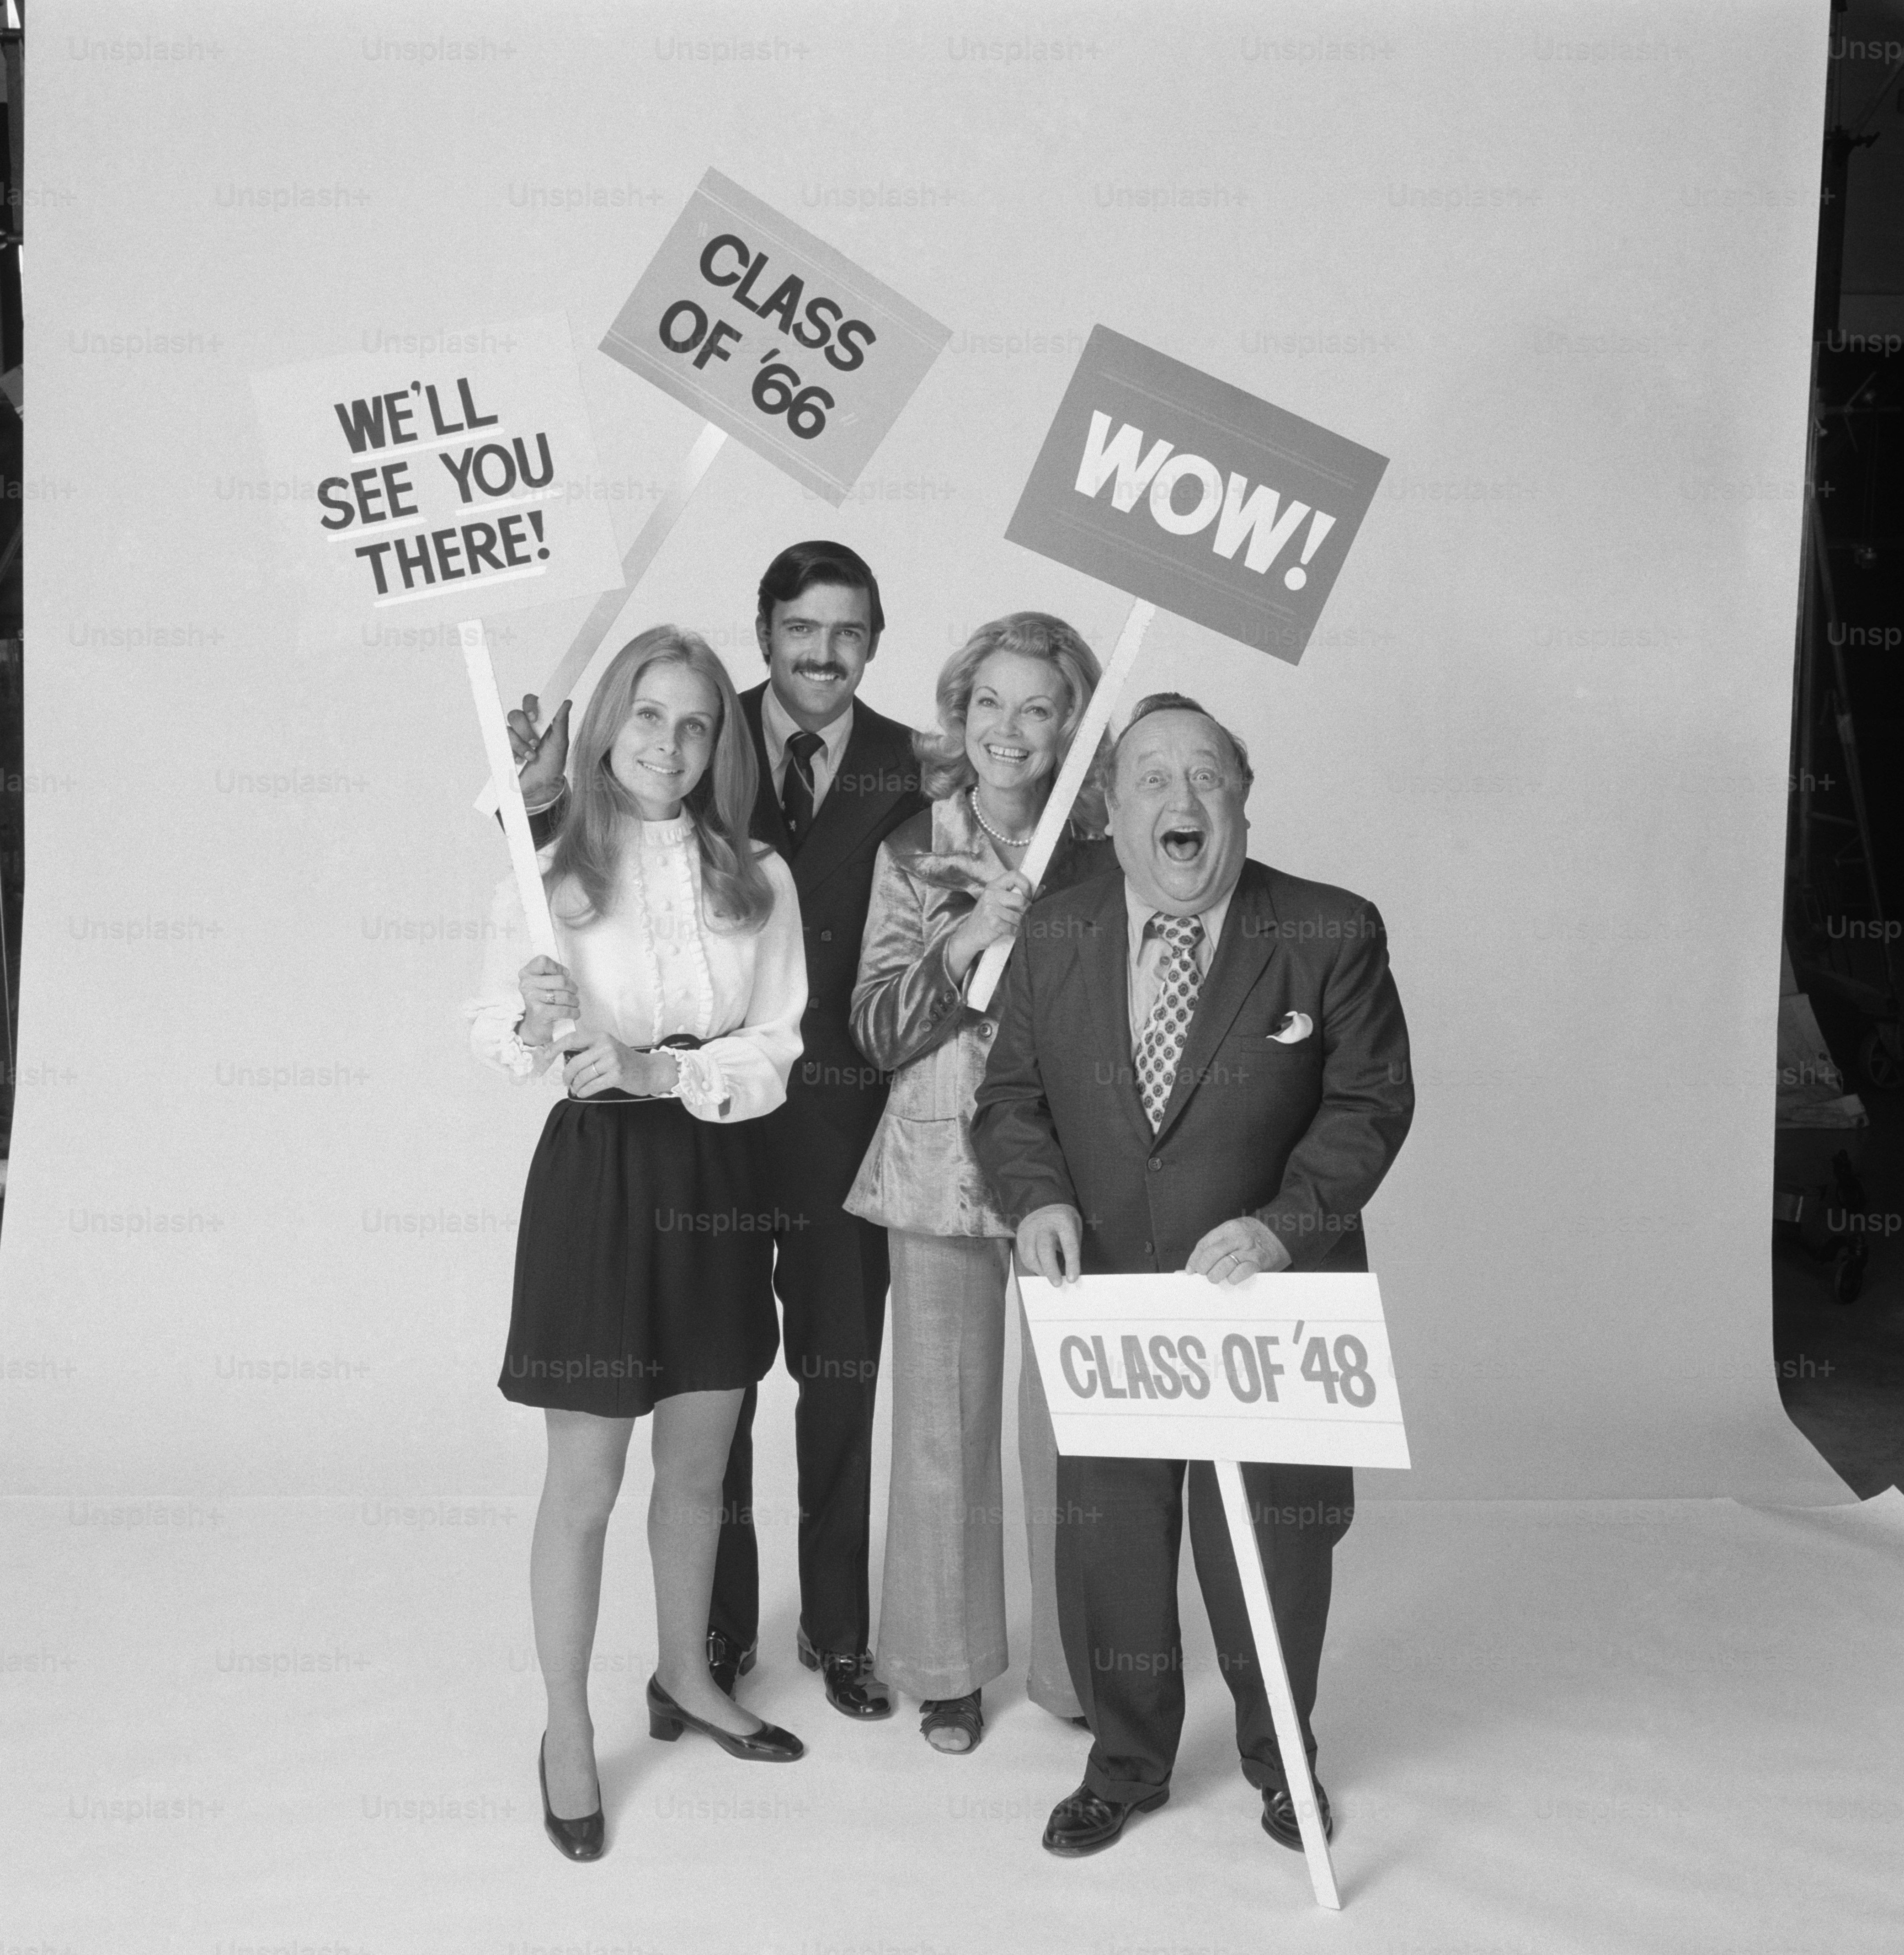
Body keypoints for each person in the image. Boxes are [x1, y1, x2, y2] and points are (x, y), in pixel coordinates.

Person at [969, 692, 1413, 1858]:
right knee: (1112, 1543)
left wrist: (1283, 1224)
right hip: (1108, 1303)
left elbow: (1370, 1102)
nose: (1182, 798)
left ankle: (1283, 1764)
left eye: (1207, 775)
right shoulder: (1056, 934)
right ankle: (1124, 1764)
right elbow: (1008, 1100)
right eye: (1152, 777)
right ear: (1110, 810)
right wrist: (1039, 1196)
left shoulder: (1331, 930)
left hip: (1268, 1299)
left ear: (1243, 801)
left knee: (1273, 1545)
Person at [507, 542, 925, 1720]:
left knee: (829, 1377)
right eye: (802, 624)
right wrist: (531, 790)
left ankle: (838, 1633)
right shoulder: (693, 731)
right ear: (766, 628)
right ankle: (714, 1638)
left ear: (875, 639)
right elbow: (557, 843)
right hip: (661, 1144)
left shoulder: (910, 766)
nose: (823, 650)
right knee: (686, 1428)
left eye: (849, 629)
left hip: (835, 1115)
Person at [468, 627, 809, 1863]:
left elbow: (773, 1050)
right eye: (649, 716)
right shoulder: (549, 868)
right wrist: (535, 1009)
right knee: (588, 1480)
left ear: (721, 743)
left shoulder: (756, 875)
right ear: (610, 723)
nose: (670, 743)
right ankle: (566, 1727)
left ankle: (686, 1674)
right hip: (598, 1180)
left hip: (715, 1170)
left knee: (701, 1462)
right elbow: (497, 1042)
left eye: (698, 722)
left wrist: (663, 1067)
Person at [846, 614, 1112, 1753]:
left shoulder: (1106, 851)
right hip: (942, 1165)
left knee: (1078, 1434)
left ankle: (1079, 1665)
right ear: (961, 716)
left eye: (1038, 707)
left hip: (1073, 1174)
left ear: (1070, 726)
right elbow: (870, 1029)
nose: (1009, 730)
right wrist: (959, 947)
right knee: (943, 1428)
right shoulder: (914, 847)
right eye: (989, 704)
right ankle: (944, 1663)